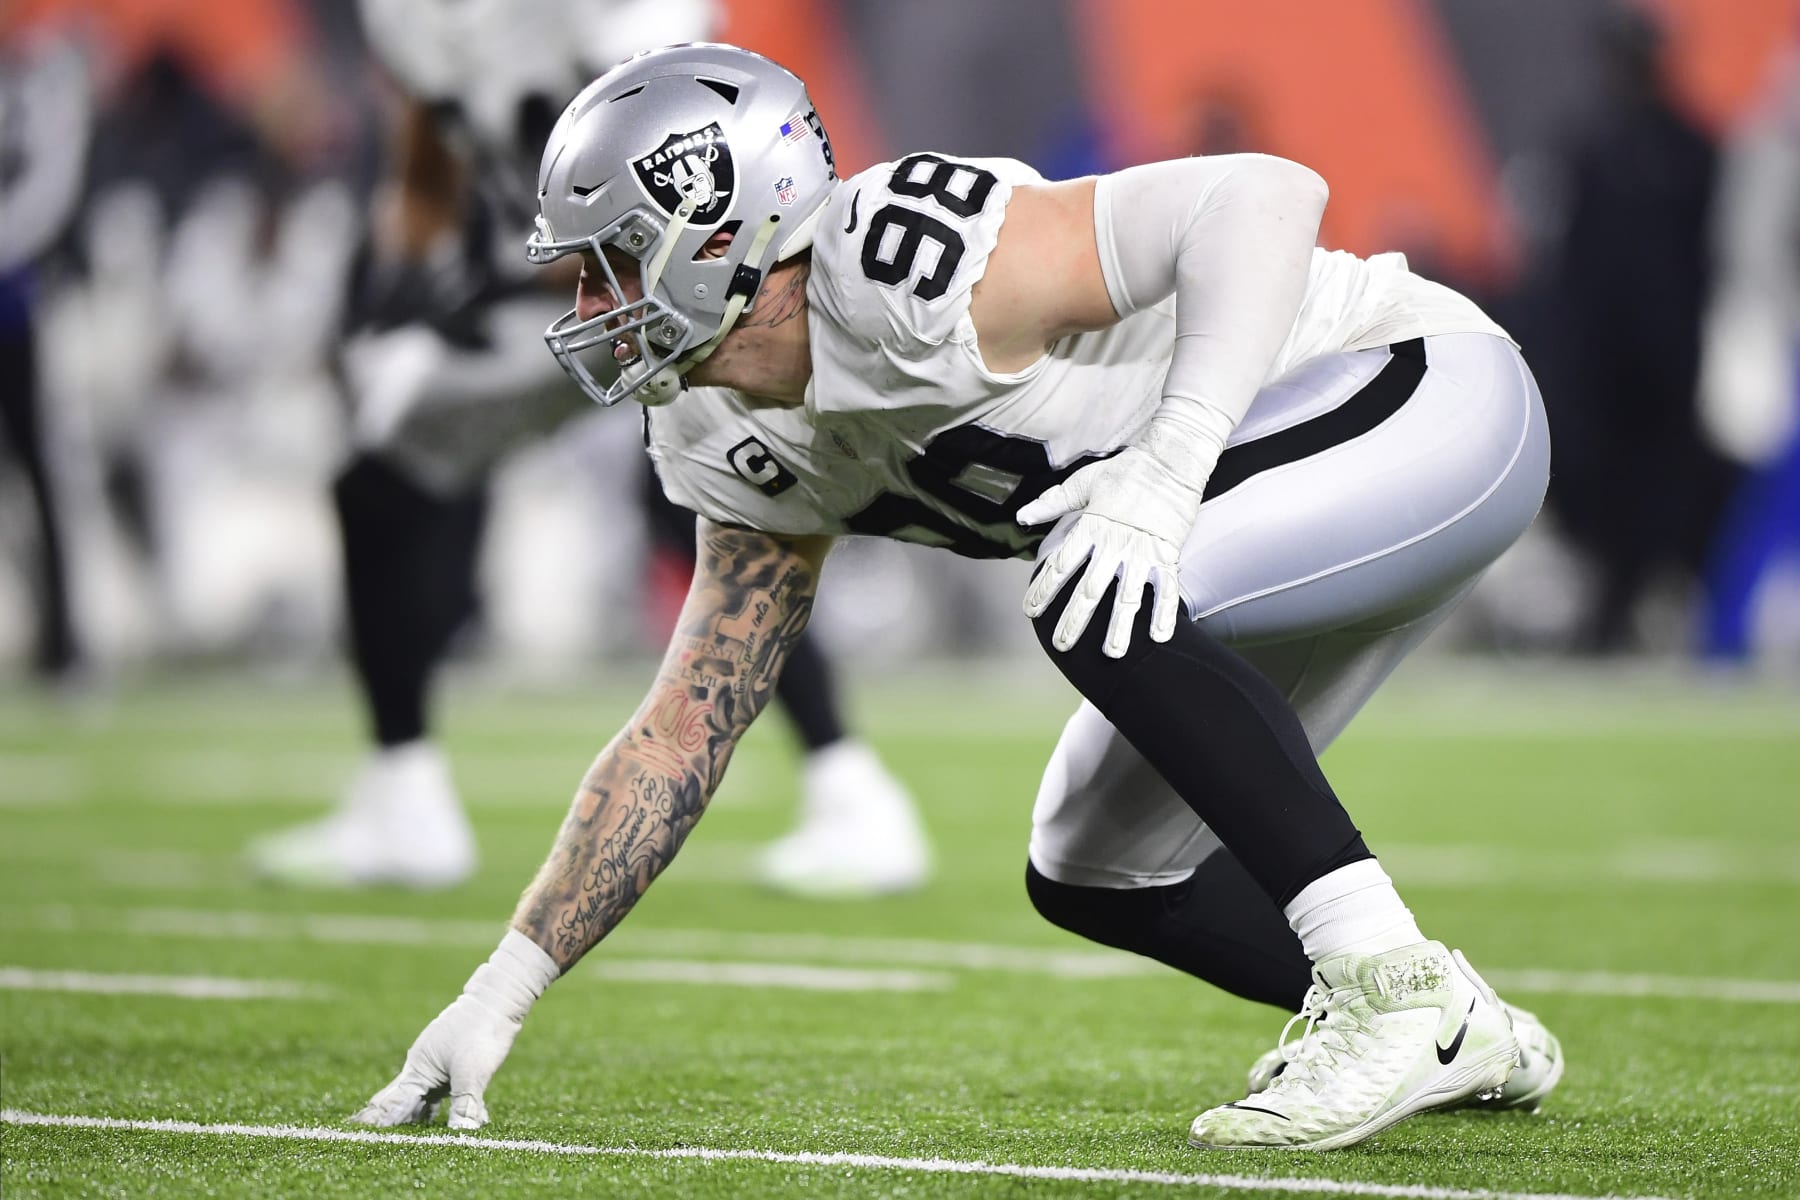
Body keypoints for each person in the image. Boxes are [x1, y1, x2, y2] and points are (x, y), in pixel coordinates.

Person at [351, 43, 1563, 1151]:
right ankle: (1435, 1007)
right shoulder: (715, 421)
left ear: (718, 233)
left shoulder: (893, 267)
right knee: (1092, 864)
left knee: (1090, 573)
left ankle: (1384, 994)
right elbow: (685, 729)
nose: (587, 309)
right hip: (1264, 524)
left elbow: (1266, 196)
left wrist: (1161, 471)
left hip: (1424, 393)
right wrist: (498, 992)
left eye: (612, 263)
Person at [245, 3, 927, 896]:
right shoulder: (412, 16)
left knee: (707, 496)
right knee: (383, 480)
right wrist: (397, 293)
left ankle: (851, 792)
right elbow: (427, 167)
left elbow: (691, 154)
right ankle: (402, 796)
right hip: (546, 293)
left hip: (673, 275)